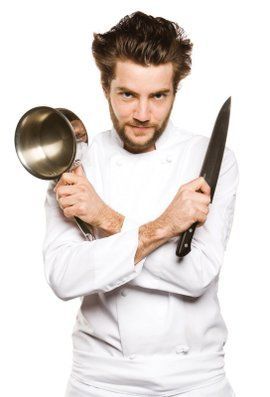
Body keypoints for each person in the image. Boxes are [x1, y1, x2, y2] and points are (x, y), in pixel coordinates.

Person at [43, 11, 239, 397]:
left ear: (175, 91)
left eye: (158, 96)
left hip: (194, 380)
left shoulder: (212, 159)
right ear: (106, 88)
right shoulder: (76, 160)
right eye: (128, 94)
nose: (143, 114)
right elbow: (64, 278)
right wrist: (165, 227)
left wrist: (104, 218)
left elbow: (197, 274)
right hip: (98, 381)